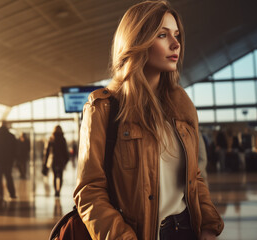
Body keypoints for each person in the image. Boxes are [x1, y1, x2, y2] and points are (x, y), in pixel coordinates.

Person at [73, 1, 224, 240]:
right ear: (137, 41)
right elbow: (89, 192)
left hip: (188, 230)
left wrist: (208, 226)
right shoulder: (103, 107)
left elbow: (194, 177)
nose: (176, 44)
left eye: (176, 35)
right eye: (162, 35)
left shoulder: (181, 104)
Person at [43, 125, 69, 197]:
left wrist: (45, 163)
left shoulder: (51, 139)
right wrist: (66, 160)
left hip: (54, 160)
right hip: (61, 161)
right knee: (60, 176)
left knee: (54, 176)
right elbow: (65, 151)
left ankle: (55, 191)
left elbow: (47, 152)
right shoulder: (63, 139)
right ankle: (59, 190)